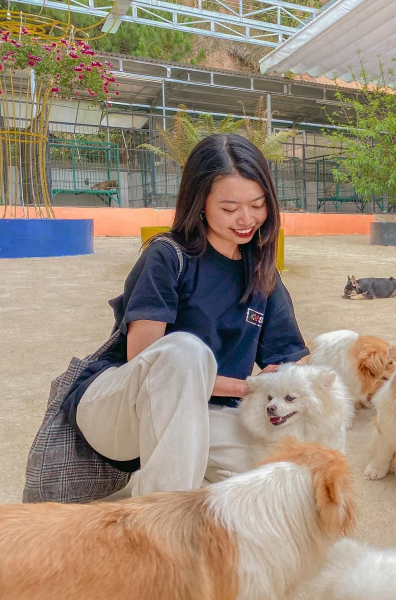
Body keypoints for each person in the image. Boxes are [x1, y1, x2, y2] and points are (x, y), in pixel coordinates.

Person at [62, 134, 309, 496]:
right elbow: (147, 361)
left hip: (207, 411)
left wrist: (289, 377)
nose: (246, 219)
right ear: (200, 203)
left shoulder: (262, 272)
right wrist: (247, 387)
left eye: (258, 205)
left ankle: (162, 496)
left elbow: (293, 362)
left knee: (281, 479)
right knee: (184, 352)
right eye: (229, 208)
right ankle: (162, 526)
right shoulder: (167, 256)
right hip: (119, 409)